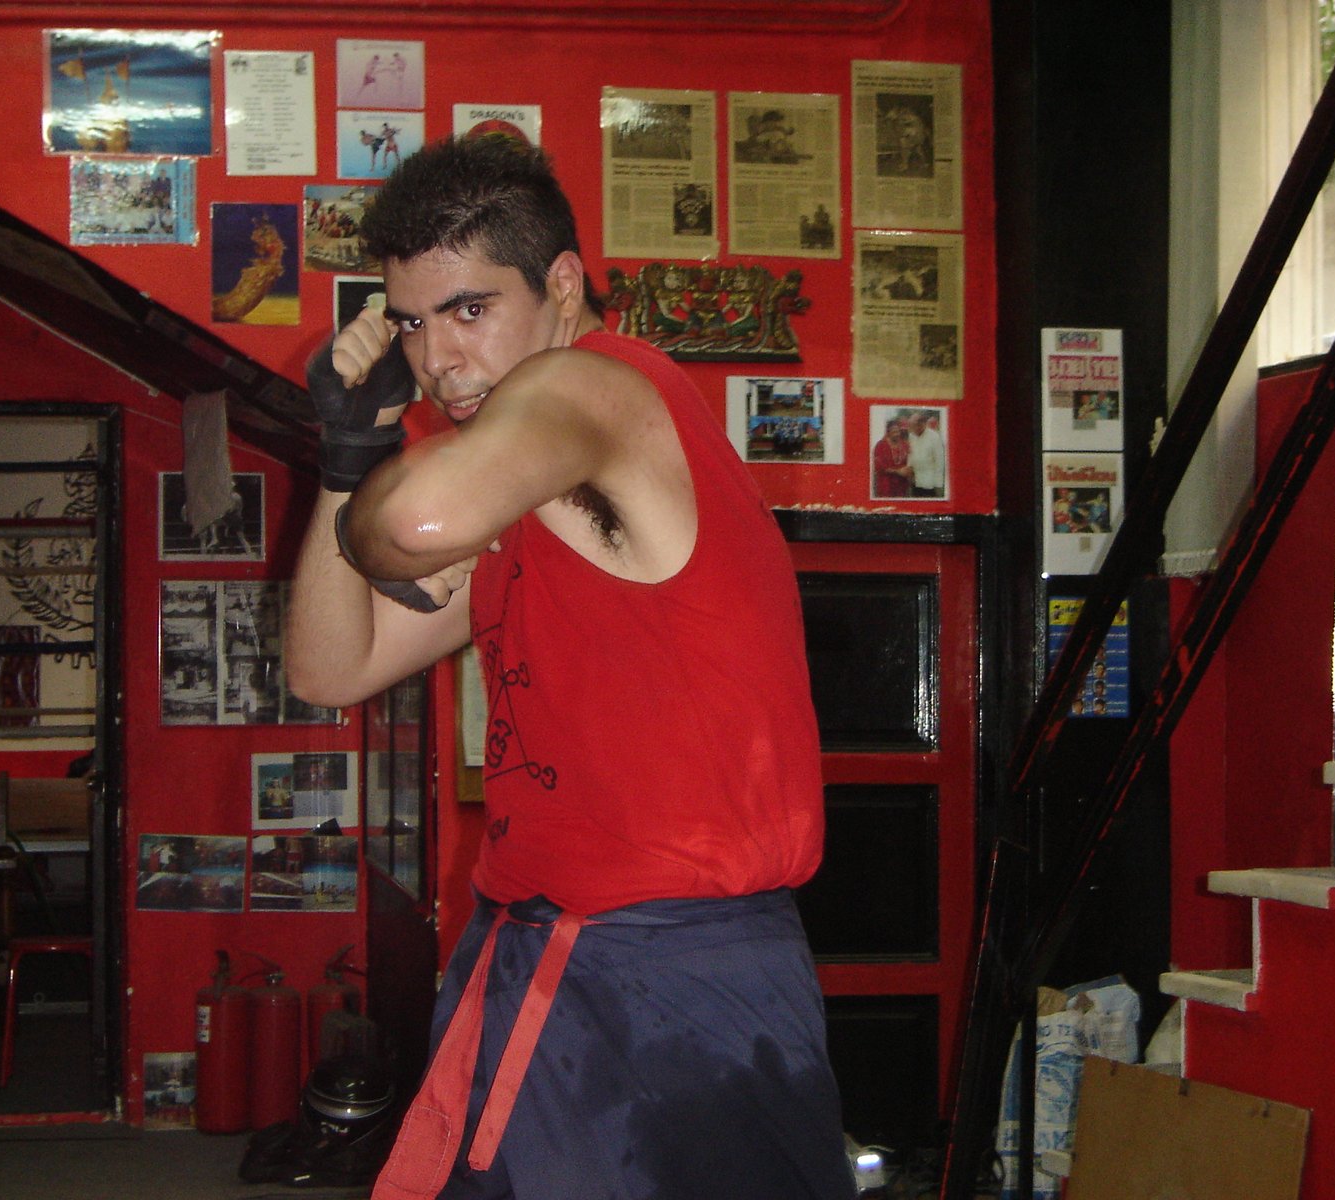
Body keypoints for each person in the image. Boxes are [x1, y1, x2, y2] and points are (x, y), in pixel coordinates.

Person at [285, 134, 853, 1200]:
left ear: (560, 284)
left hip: (676, 974)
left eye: (468, 309)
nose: (437, 359)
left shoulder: (591, 386)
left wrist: (379, 471)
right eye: (410, 322)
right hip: (545, 951)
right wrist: (344, 455)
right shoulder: (523, 480)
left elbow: (413, 524)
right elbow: (328, 667)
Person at [907, 408, 946, 497]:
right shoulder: (911, 436)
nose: (911, 429)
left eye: (913, 426)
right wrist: (909, 467)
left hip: (929, 482)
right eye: (911, 426)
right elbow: (910, 454)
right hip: (915, 480)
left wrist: (938, 484)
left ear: (921, 424)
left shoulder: (934, 437)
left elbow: (939, 461)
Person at [871, 417, 912, 498]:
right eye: (894, 432)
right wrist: (898, 471)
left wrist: (909, 469)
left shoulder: (904, 445)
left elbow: (910, 460)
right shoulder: (881, 445)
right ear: (888, 432)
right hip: (886, 486)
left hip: (902, 486)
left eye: (898, 431)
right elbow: (879, 467)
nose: (897, 434)